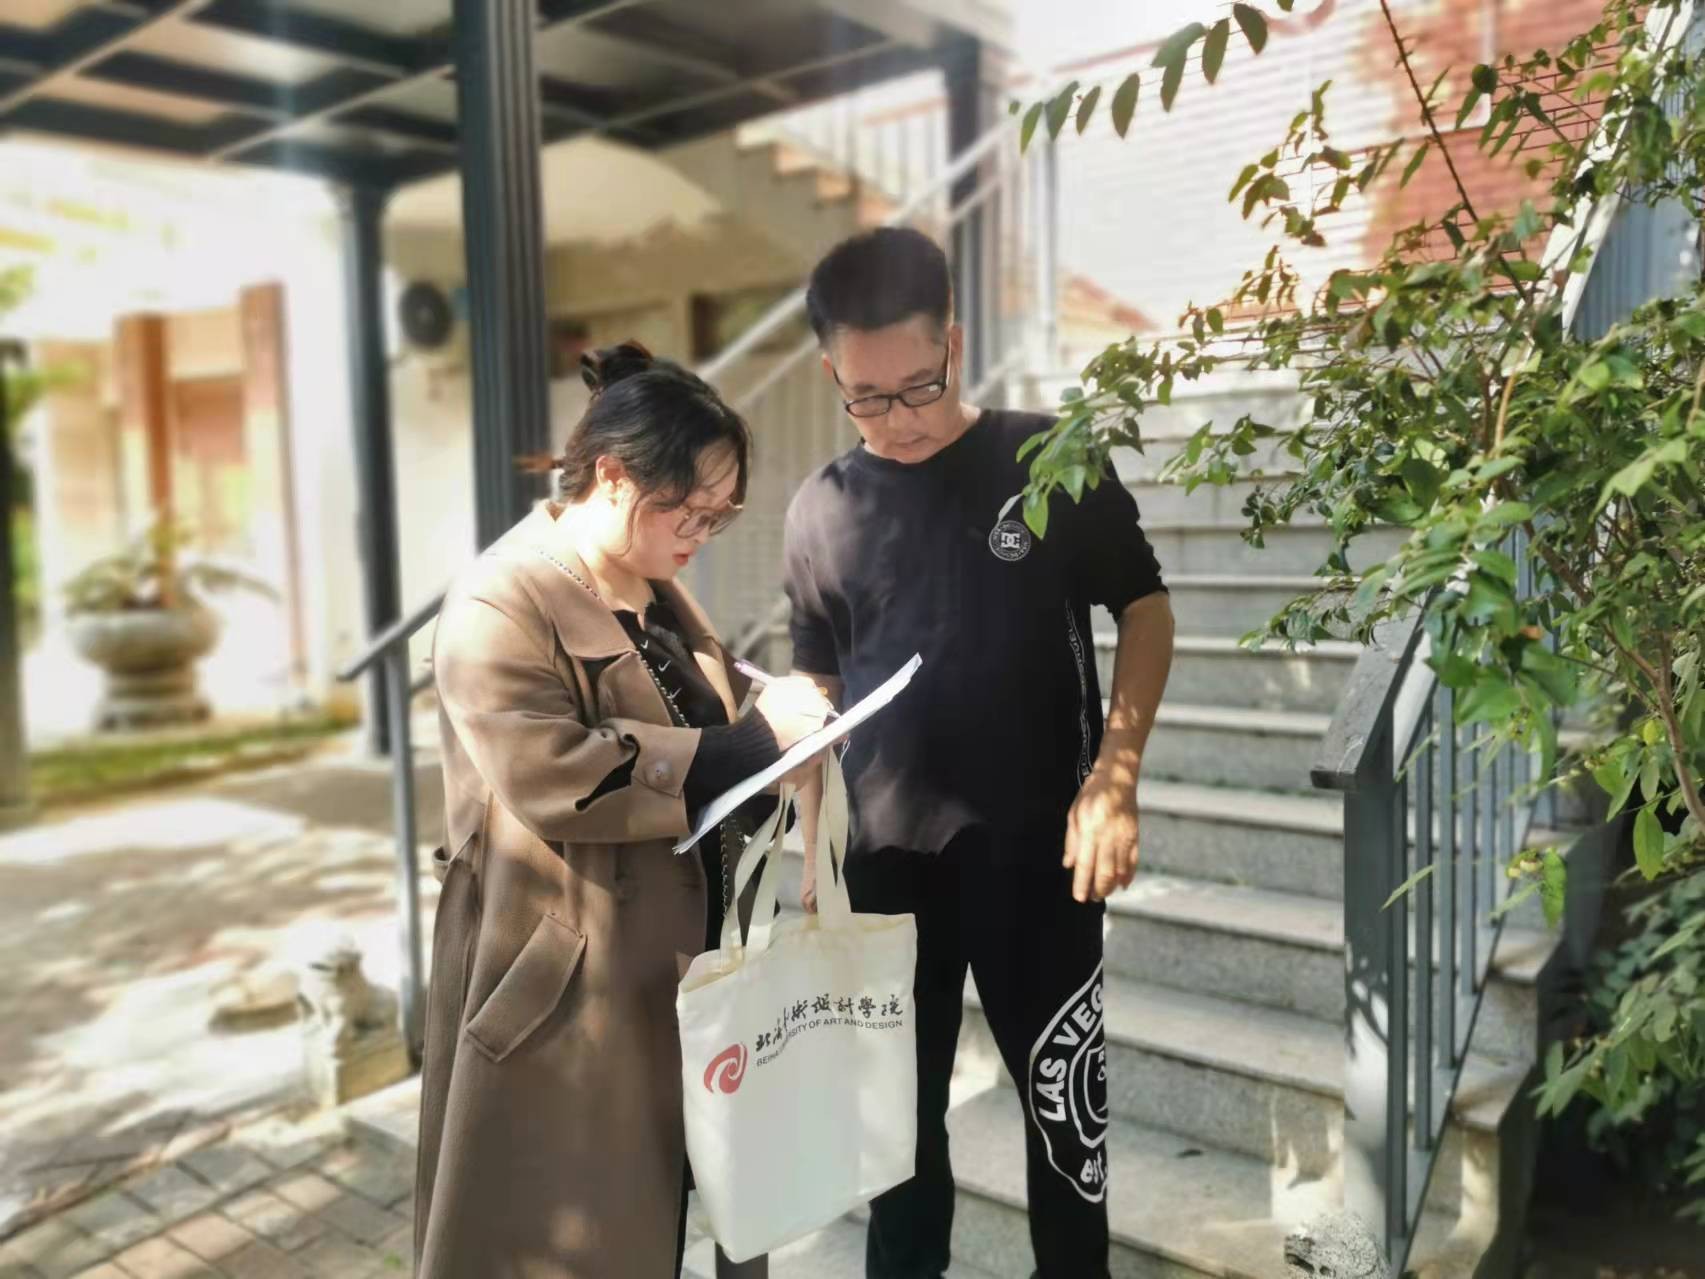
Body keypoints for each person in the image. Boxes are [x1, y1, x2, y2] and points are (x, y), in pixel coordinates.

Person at [783, 228, 1176, 1279]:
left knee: (1065, 1134)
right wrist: (813, 843)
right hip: (881, 871)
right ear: (831, 375)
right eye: (868, 398)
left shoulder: (1047, 458)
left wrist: (1115, 778)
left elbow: (1143, 608)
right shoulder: (819, 508)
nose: (899, 418)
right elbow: (820, 683)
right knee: (895, 1147)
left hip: (1038, 859)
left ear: (953, 343)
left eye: (919, 386)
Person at [416, 342, 836, 1279]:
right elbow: (551, 772)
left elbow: (699, 727)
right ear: (612, 477)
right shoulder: (499, 599)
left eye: (719, 515)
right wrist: (749, 744)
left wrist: (784, 736)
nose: (702, 532)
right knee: (573, 1235)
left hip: (681, 965)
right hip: (570, 982)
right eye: (689, 510)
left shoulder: (651, 585)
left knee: (687, 1210)